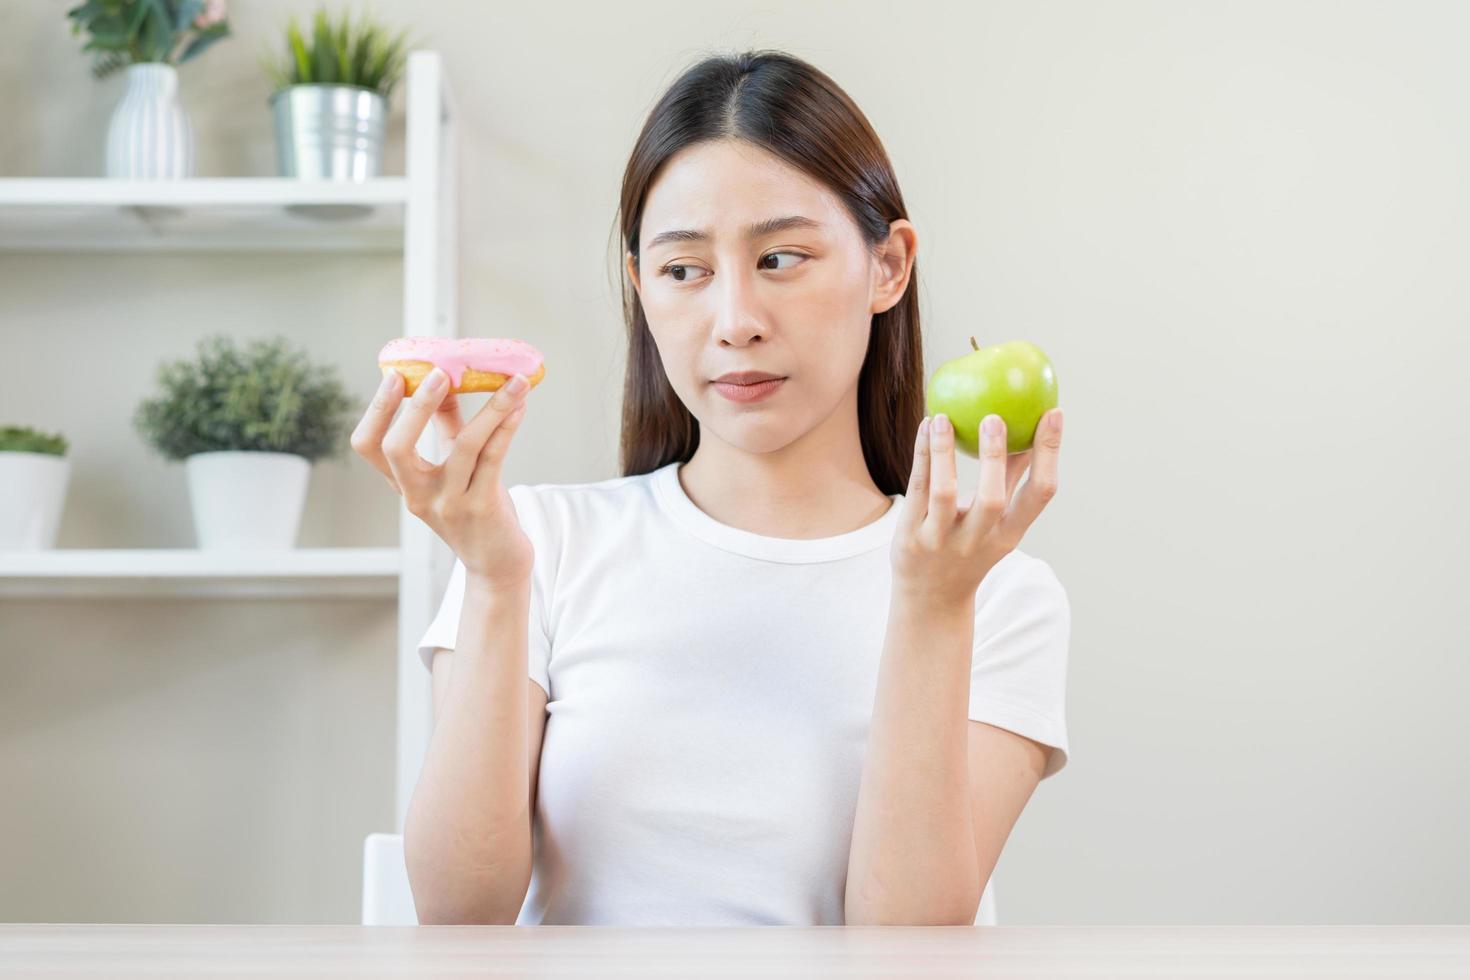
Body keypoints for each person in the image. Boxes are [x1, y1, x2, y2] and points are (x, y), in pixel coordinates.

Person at [351, 48, 1069, 927]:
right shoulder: (534, 546)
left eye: (781, 259)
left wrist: (929, 604)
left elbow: (905, 947)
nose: (734, 323)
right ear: (641, 289)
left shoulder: (996, 593)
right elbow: (460, 918)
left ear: (889, 266)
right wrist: (497, 583)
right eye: (684, 270)